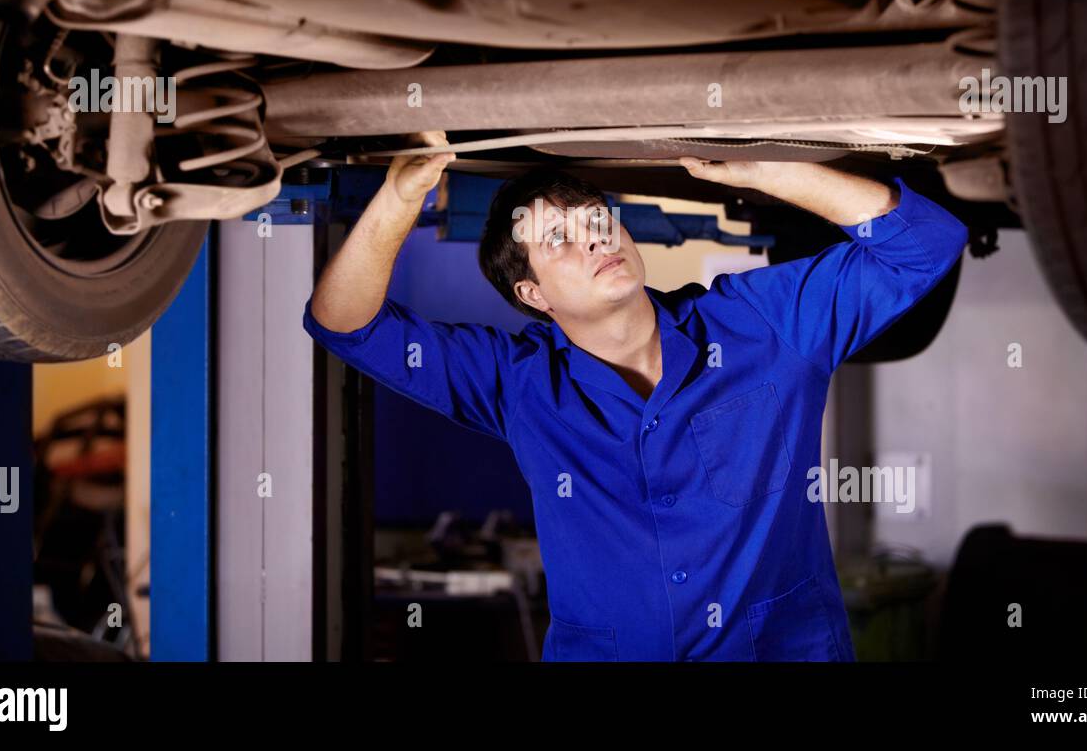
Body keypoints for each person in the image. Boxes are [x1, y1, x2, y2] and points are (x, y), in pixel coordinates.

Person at [304, 133, 969, 661]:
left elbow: (927, 246)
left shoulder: (763, 328)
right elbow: (345, 324)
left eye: (596, 219)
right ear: (532, 295)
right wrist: (397, 198)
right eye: (558, 240)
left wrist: (769, 171)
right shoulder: (518, 384)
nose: (593, 237)